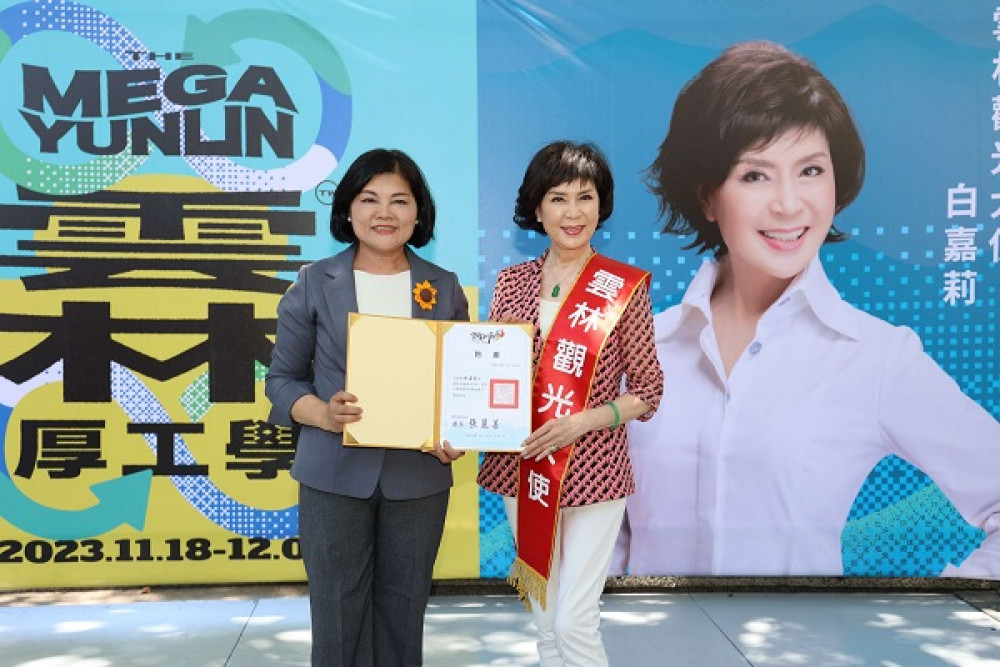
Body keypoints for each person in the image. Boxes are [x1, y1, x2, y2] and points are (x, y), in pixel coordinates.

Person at [616, 41, 1000, 577]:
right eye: (755, 175)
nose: (789, 204)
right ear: (707, 196)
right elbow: (603, 538)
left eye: (811, 170)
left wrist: (929, 614)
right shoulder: (635, 349)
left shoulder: (875, 358)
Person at [265, 148, 469, 666]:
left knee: (404, 617)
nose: (384, 213)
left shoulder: (444, 286)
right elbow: (282, 381)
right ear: (348, 209)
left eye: (400, 200)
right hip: (332, 474)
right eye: (369, 199)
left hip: (419, 476)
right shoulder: (314, 282)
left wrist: (459, 431)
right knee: (337, 619)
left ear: (418, 212)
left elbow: (461, 385)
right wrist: (323, 414)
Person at [477, 140, 663, 665]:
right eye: (558, 199)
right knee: (545, 621)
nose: (573, 212)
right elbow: (490, 372)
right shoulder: (511, 283)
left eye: (585, 197)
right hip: (523, 465)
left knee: (574, 622)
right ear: (537, 209)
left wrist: (581, 421)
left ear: (601, 206)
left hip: (595, 468)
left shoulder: (623, 287)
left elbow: (648, 390)